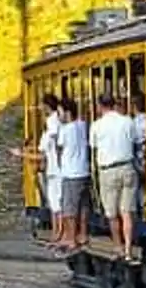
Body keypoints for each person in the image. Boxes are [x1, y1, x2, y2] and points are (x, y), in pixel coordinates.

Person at [89, 93, 139, 260]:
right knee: (127, 212)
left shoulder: (96, 125)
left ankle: (117, 246)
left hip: (108, 171)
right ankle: (128, 249)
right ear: (114, 104)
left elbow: (93, 146)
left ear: (100, 106)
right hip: (127, 168)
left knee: (112, 213)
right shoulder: (127, 121)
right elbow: (135, 140)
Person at [55, 98, 91, 250]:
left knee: (69, 208)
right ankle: (82, 234)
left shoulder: (65, 129)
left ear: (67, 113)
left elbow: (60, 148)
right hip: (83, 170)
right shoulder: (83, 125)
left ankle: (71, 238)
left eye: (60, 112)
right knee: (83, 206)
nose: (59, 116)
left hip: (70, 173)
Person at [37, 93, 63, 244]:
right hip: (52, 169)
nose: (40, 108)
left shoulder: (53, 121)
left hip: (55, 168)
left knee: (57, 202)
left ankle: (58, 232)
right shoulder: (52, 122)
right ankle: (56, 231)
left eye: (42, 105)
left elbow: (54, 143)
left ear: (47, 106)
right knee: (54, 202)